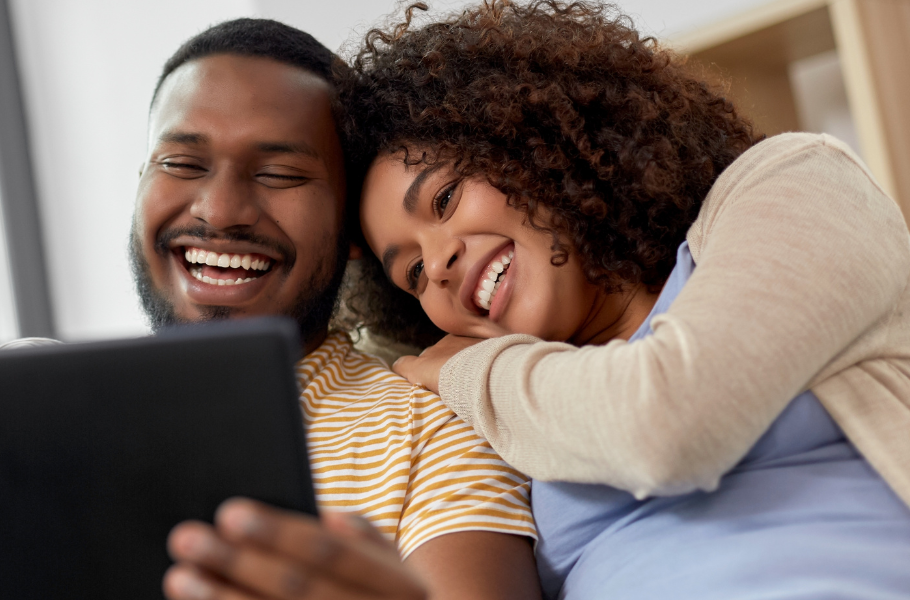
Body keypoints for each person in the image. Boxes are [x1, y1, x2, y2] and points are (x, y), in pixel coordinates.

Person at [343, 1, 910, 598]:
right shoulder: (500, 420)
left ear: (534, 141)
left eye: (445, 198)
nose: (436, 265)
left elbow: (672, 423)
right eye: (410, 273)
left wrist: (470, 368)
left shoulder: (794, 180)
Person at [133, 18, 541, 600]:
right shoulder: (46, 420)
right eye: (180, 163)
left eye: (279, 174)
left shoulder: (433, 431)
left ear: (353, 229)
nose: (219, 210)